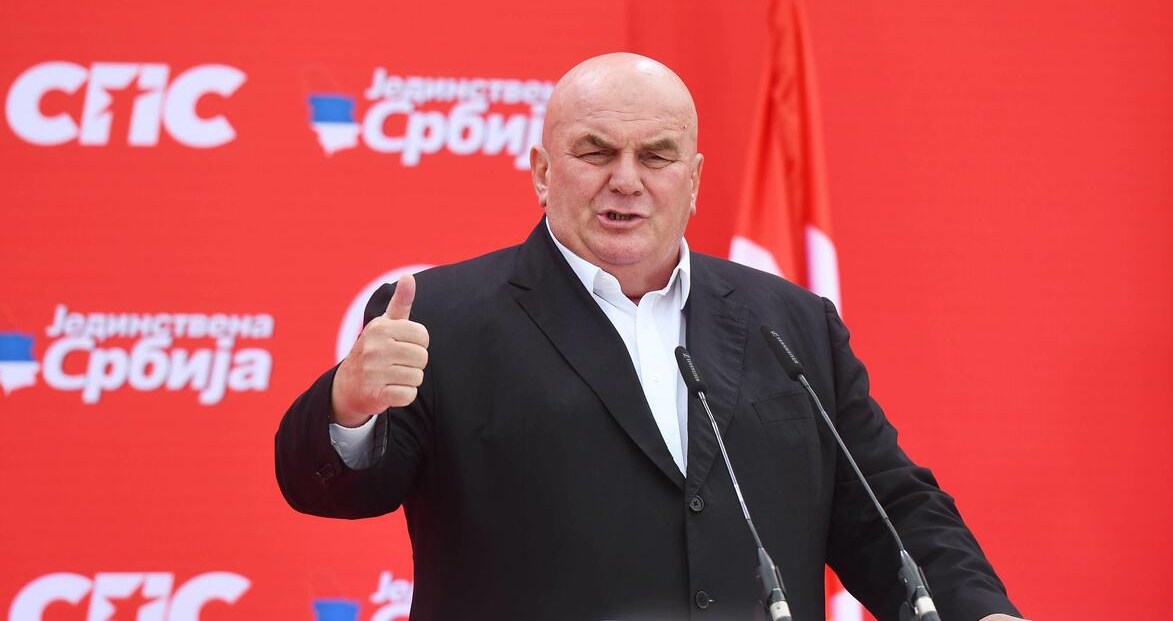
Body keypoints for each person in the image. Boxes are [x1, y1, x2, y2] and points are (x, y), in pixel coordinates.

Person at [275, 53, 1025, 621]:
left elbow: (885, 507)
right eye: (596, 152)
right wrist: (348, 407)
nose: (627, 180)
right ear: (542, 172)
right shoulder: (441, 317)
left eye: (657, 156)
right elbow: (334, 488)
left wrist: (981, 612)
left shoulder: (790, 322)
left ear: (692, 180)